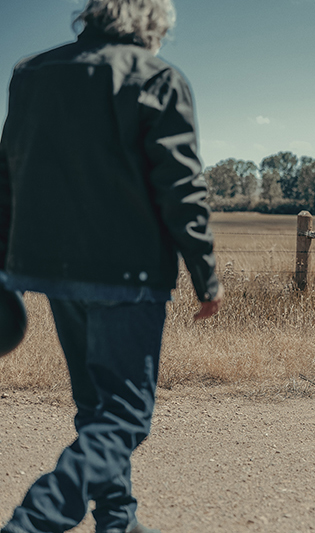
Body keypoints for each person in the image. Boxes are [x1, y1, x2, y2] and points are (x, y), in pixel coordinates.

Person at [0, 1, 222, 532]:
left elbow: (8, 168)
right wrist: (205, 273)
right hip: (129, 274)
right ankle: (32, 524)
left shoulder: (32, 73)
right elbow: (182, 188)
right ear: (153, 21)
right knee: (123, 417)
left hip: (50, 269)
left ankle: (118, 520)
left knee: (96, 407)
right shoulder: (158, 78)